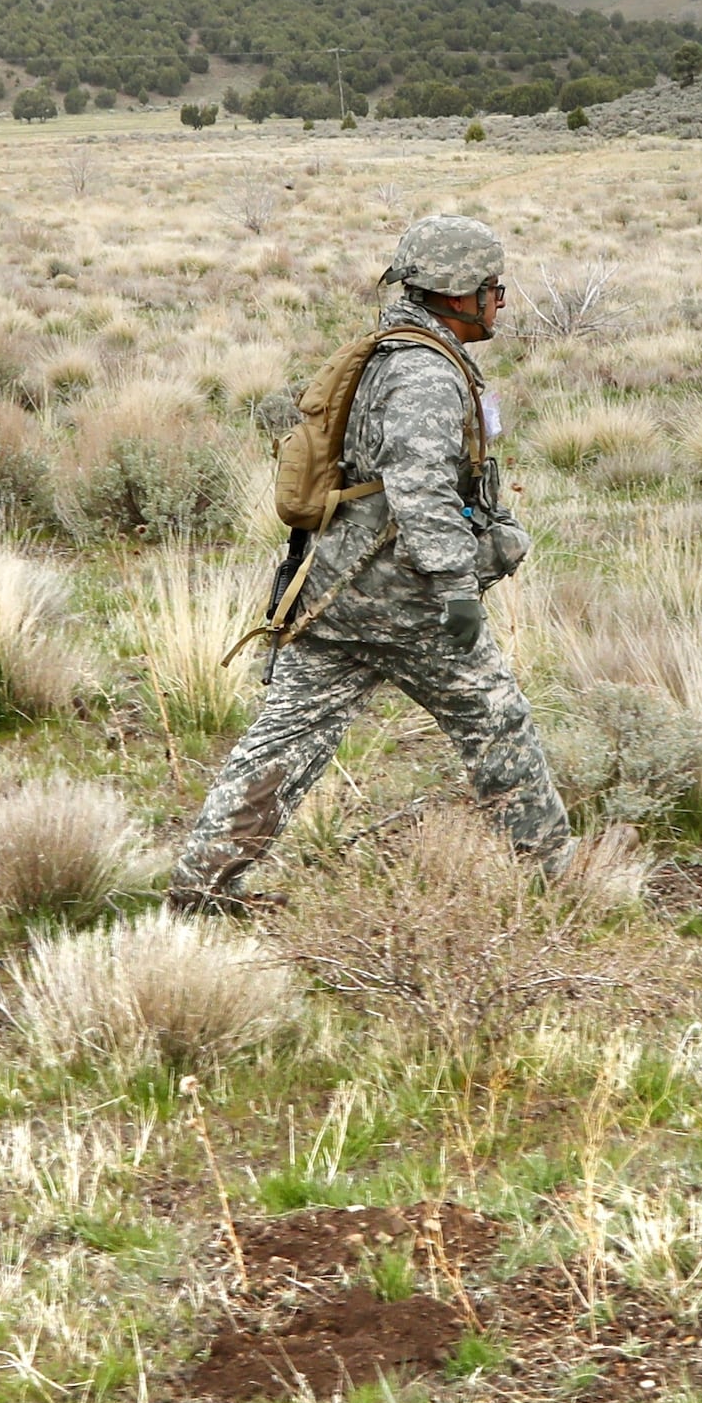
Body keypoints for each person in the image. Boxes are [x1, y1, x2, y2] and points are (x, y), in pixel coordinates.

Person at [164, 210, 570, 908]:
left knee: (281, 746)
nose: (500, 299)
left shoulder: (395, 352)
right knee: (498, 725)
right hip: (405, 602)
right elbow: (420, 487)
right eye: (493, 286)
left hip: (333, 594)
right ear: (458, 290)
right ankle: (558, 882)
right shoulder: (423, 373)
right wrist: (456, 587)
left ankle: (199, 892)